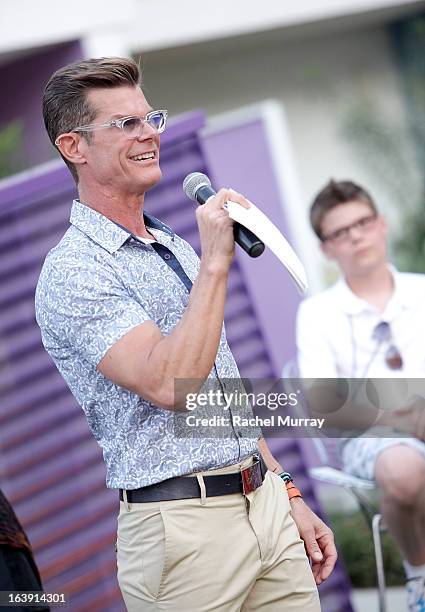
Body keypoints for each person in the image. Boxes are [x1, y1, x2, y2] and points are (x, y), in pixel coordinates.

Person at [35, 57, 336, 612]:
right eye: (125, 123)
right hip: (182, 533)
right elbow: (174, 386)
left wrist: (283, 489)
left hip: (261, 504)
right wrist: (217, 262)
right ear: (74, 147)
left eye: (150, 117)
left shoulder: (169, 242)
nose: (150, 132)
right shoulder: (74, 272)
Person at [296, 179, 425, 611]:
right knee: (404, 470)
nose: (355, 236)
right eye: (339, 232)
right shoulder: (318, 314)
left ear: (382, 224)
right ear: (326, 249)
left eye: (363, 223)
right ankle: (420, 575)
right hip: (373, 435)